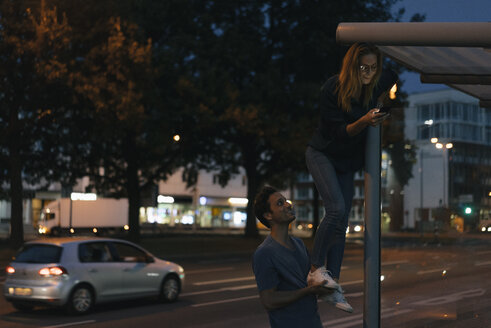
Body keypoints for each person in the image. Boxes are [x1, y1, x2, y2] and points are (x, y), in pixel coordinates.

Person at [306, 42, 398, 313]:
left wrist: (386, 97)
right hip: (322, 154)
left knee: (342, 222)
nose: (369, 73)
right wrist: (366, 120)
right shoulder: (333, 88)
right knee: (336, 210)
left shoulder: (375, 84)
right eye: (363, 68)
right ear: (351, 66)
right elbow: (339, 133)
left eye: (373, 68)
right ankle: (315, 269)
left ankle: (332, 284)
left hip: (346, 164)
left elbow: (392, 75)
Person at [252, 186, 333, 328]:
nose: (288, 205)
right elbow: (269, 300)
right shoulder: (264, 253)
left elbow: (310, 279)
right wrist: (308, 291)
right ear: (268, 215)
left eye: (286, 201)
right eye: (280, 203)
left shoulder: (298, 243)